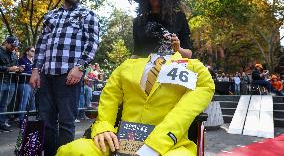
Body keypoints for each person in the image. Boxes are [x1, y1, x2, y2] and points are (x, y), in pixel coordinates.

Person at [56, 52, 214, 156]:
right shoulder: (127, 65)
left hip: (171, 146)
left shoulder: (194, 67)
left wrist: (156, 145)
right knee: (74, 151)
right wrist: (103, 126)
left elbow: (191, 105)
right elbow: (109, 95)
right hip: (121, 140)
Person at [29, 0, 99, 156]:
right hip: (46, 75)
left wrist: (80, 68)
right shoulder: (51, 15)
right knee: (46, 121)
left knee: (67, 122)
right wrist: (35, 71)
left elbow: (92, 44)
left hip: (69, 75)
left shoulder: (88, 15)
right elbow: (42, 44)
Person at [126, 0, 192, 58]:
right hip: (147, 70)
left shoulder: (179, 17)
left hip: (174, 68)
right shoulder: (138, 22)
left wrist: (178, 49)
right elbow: (137, 53)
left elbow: (189, 54)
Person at [0, 36, 22, 132]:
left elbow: (16, 66)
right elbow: (7, 68)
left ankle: (2, 123)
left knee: (5, 105)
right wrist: (8, 69)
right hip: (1, 81)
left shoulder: (14, 54)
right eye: (12, 45)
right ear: (6, 43)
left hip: (11, 82)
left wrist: (19, 69)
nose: (14, 48)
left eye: (15, 46)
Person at [18, 46, 36, 125]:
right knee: (23, 102)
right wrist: (32, 72)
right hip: (24, 83)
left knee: (32, 102)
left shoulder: (34, 61)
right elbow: (21, 70)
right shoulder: (22, 60)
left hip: (32, 84)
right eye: (32, 51)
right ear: (27, 52)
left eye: (34, 51)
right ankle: (21, 120)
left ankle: (31, 120)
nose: (33, 52)